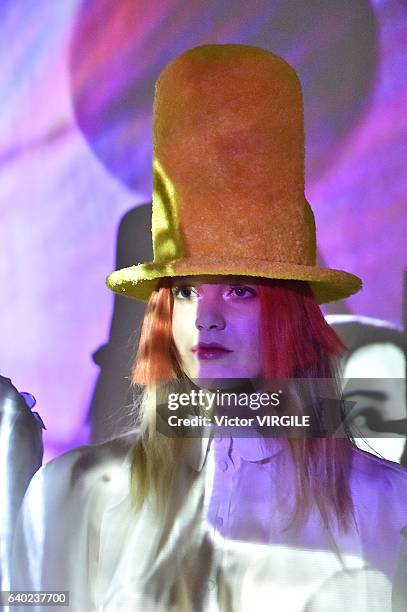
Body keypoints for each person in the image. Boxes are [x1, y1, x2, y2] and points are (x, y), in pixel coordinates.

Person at [10, 44, 407, 612]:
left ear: (292, 312)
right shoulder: (76, 491)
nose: (206, 316)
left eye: (241, 290)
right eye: (187, 291)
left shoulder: (387, 507)